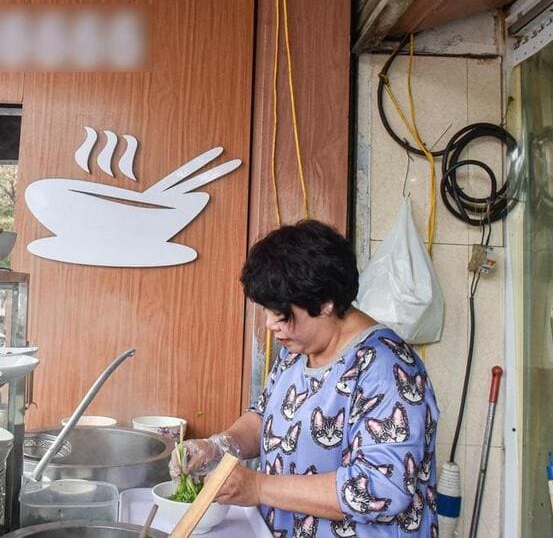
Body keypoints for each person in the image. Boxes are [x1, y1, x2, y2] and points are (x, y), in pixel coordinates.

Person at [170, 220, 439, 536]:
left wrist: (258, 487)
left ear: (325, 302)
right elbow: (266, 417)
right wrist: (220, 446)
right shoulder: (297, 348)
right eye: (267, 311)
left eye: (282, 313)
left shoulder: (387, 369)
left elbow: (380, 489)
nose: (272, 324)